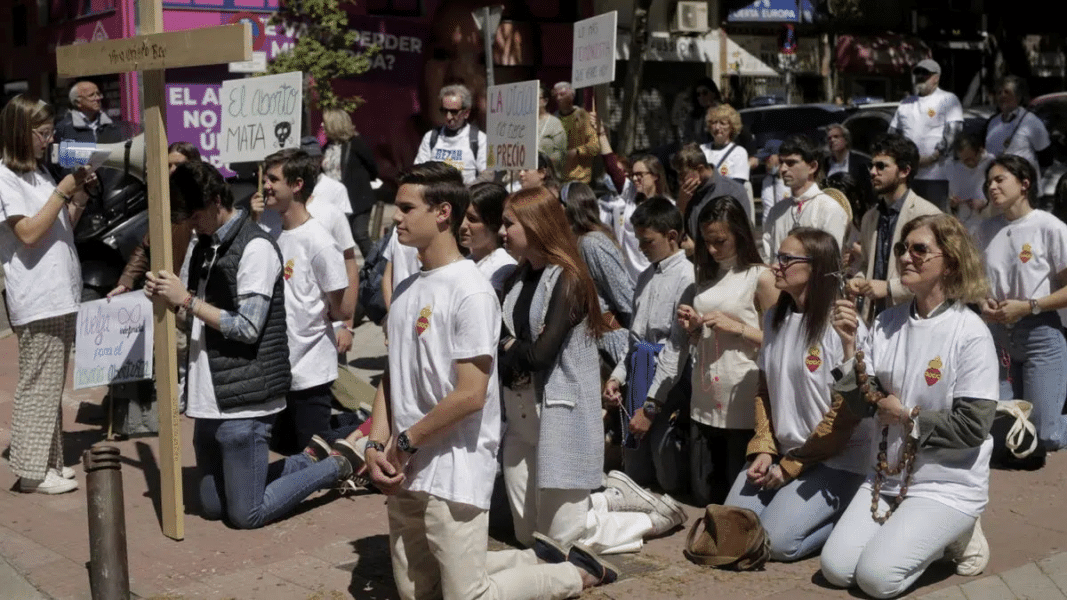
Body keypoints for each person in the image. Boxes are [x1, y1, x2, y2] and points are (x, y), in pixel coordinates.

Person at [356, 162, 620, 599]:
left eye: (406, 208)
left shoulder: (471, 291)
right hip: (404, 470)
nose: (395, 218)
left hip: (453, 471)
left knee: (468, 596)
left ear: (443, 213)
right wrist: (373, 444)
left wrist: (404, 442)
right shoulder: (404, 292)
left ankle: (571, 575)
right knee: (420, 594)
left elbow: (470, 395)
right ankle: (543, 558)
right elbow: (392, 375)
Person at [143, 161, 356, 529]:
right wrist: (171, 301)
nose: (191, 224)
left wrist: (188, 300)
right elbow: (195, 320)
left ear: (214, 201)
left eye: (194, 215)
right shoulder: (203, 245)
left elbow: (247, 327)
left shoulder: (255, 246)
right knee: (211, 506)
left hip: (244, 400)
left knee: (246, 514)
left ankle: (334, 465)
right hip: (207, 400)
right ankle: (305, 460)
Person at [498, 186, 686, 556]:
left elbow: (540, 355)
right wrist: (513, 347)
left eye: (509, 223)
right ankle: (603, 500)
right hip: (520, 416)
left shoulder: (568, 278)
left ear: (535, 225)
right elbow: (507, 345)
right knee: (526, 536)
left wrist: (509, 347)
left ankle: (651, 516)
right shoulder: (515, 280)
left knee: (562, 543)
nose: (502, 231)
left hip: (558, 414)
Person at [822, 214, 997, 597]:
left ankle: (957, 534)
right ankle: (920, 537)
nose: (905, 257)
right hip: (887, 477)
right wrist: (850, 345)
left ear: (949, 262)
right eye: (903, 248)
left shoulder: (970, 333)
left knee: (876, 579)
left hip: (946, 484)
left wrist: (905, 415)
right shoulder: (887, 322)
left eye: (920, 249)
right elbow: (860, 405)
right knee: (836, 570)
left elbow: (974, 427)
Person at [725, 227, 872, 562]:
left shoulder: (843, 326)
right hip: (786, 455)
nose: (776, 266)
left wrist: (792, 466)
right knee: (735, 528)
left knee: (775, 544)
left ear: (816, 268)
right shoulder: (775, 316)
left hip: (837, 460)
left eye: (787, 259)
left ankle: (850, 520)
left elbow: (845, 414)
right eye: (778, 257)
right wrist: (763, 448)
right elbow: (764, 389)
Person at [0, 94, 93, 494]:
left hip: (57, 293)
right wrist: (62, 192)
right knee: (39, 384)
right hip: (38, 298)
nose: (49, 139)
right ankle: (31, 473)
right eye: (42, 133)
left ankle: (51, 461)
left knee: (50, 383)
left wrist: (78, 198)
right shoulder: (6, 177)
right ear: (22, 133)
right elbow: (29, 235)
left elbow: (59, 227)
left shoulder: (38, 174)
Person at [677, 197, 779, 506]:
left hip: (743, 397)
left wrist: (740, 328)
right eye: (706, 242)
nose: (711, 249)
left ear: (739, 233)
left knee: (736, 502)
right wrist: (695, 326)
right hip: (705, 392)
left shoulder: (761, 277)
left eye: (720, 241)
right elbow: (704, 335)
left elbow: (783, 343)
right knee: (704, 496)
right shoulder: (706, 276)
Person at [259, 148, 353, 454]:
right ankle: (352, 424)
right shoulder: (269, 231)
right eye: (266, 178)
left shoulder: (320, 241)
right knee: (283, 447)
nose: (266, 186)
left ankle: (361, 427)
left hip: (310, 370)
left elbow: (341, 306)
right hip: (277, 370)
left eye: (273, 179)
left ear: (297, 184)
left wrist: (341, 324)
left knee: (312, 458)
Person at [602, 197, 694, 494]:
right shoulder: (644, 276)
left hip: (670, 384)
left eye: (647, 241)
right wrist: (618, 376)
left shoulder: (687, 277)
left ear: (671, 236)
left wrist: (652, 406)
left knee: (667, 471)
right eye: (639, 240)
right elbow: (634, 340)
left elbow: (677, 349)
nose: (641, 248)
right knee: (637, 470)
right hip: (638, 377)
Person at [976, 155, 1067, 451]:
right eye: (989, 181)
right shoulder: (985, 230)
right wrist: (982, 303)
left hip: (1041, 334)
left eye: (1000, 179)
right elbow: (975, 283)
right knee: (1001, 433)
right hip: (998, 337)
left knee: (1045, 437)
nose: (992, 187)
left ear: (1024, 184)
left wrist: (1029, 306)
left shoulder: (1050, 227)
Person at [847, 134, 941, 322]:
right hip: (876, 319)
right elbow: (867, 264)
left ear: (904, 171)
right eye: (871, 166)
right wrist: (859, 278)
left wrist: (890, 288)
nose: (873, 172)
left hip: (915, 317)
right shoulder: (870, 217)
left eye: (881, 166)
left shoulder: (929, 215)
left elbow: (934, 274)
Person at [561, 181, 634, 365]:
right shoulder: (578, 241)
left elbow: (624, 296)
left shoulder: (592, 243)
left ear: (570, 208)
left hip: (609, 345)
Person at [888, 59, 962, 211]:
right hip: (908, 175)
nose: (920, 76)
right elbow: (893, 135)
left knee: (935, 221)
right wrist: (904, 158)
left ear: (936, 77)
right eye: (918, 73)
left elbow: (953, 133)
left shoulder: (948, 99)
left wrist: (933, 157)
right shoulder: (905, 103)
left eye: (925, 73)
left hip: (937, 176)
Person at [761, 135, 849, 261]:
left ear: (812, 167)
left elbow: (830, 263)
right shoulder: (776, 211)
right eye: (781, 163)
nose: (783, 169)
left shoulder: (829, 209)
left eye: (791, 163)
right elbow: (767, 258)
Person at [322, 107, 379, 260]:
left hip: (357, 199)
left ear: (335, 125)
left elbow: (372, 166)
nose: (322, 125)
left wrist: (362, 182)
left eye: (325, 122)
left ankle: (376, 267)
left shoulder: (355, 144)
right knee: (338, 240)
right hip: (334, 202)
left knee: (360, 234)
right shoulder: (327, 147)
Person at [671, 143, 748, 242]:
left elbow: (743, 234)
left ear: (700, 169)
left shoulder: (733, 191)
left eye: (683, 175)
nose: (680, 180)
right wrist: (681, 205)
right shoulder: (685, 194)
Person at [414, 84, 487, 184]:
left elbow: (487, 175)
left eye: (454, 112)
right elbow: (418, 169)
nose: (448, 117)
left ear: (466, 113)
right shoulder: (431, 137)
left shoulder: (479, 139)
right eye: (444, 111)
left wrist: (464, 192)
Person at [985, 75, 1052, 178]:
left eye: (1007, 92)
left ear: (1018, 96)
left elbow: (1046, 159)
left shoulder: (1031, 122)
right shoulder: (992, 122)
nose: (1002, 96)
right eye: (999, 93)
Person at [462, 182, 517, 293]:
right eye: (462, 216)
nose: (463, 225)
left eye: (472, 219)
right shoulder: (464, 262)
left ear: (494, 223)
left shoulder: (503, 267)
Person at [946, 132, 994, 233]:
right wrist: (953, 204)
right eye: (963, 160)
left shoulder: (992, 164)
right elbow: (952, 200)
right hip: (965, 224)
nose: (966, 163)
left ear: (980, 151)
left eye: (969, 159)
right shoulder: (957, 168)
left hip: (987, 223)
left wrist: (985, 204)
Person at [54, 80, 127, 144]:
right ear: (78, 102)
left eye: (98, 94)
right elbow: (59, 157)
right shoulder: (64, 128)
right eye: (91, 95)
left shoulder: (111, 126)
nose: (98, 98)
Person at [553, 82, 598, 184]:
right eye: (556, 95)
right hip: (558, 180)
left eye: (562, 94)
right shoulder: (553, 120)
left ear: (572, 95)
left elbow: (595, 147)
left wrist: (577, 151)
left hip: (580, 180)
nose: (558, 98)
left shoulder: (583, 117)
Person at [700, 104, 750, 187]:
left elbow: (737, 185)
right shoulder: (702, 150)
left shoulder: (739, 152)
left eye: (722, 123)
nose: (717, 127)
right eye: (714, 123)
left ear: (731, 127)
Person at [825, 124, 873, 203]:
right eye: (829, 138)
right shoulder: (825, 163)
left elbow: (868, 193)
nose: (832, 140)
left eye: (836, 137)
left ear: (846, 140)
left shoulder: (860, 164)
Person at [537, 84, 567, 177]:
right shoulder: (526, 123)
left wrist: (546, 162)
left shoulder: (554, 123)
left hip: (548, 175)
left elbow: (561, 152)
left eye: (536, 98)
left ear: (545, 101)